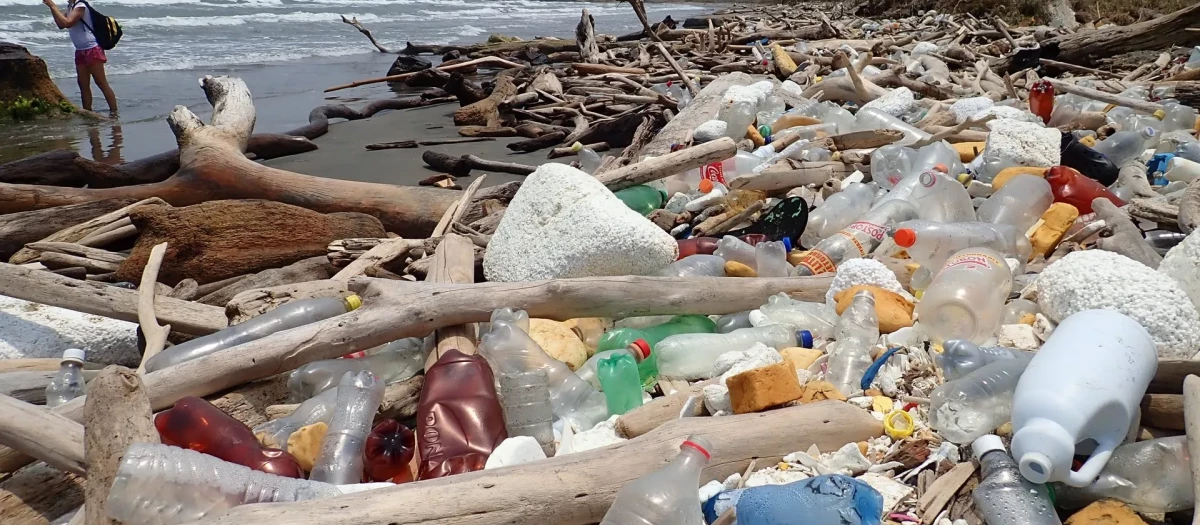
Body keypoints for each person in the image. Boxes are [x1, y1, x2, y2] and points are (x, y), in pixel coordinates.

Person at [43, 0, 117, 116]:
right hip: (80, 50)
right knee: (83, 83)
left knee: (101, 83)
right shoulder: (71, 6)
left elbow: (68, 23)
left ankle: (114, 113)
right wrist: (52, 8)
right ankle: (88, 112)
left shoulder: (80, 5)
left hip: (92, 48)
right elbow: (61, 25)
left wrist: (53, 5)